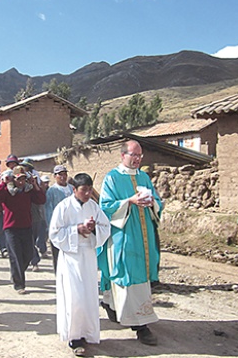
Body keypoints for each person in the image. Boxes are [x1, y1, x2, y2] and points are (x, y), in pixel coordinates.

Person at [98, 140, 163, 346]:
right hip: (123, 234)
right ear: (122, 155)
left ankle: (112, 304)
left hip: (143, 235)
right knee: (125, 273)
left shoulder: (144, 176)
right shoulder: (112, 178)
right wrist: (129, 202)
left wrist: (153, 203)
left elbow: (159, 200)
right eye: (133, 155)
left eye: (140, 156)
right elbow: (105, 207)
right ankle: (140, 326)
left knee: (140, 275)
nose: (137, 159)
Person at [49, 173, 110, 356]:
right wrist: (77, 230)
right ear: (74, 190)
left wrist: (92, 230)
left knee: (89, 296)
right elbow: (54, 233)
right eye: (84, 190)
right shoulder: (64, 207)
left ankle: (88, 333)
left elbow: (105, 228)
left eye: (90, 189)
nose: (87, 193)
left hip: (88, 256)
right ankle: (74, 337)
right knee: (74, 297)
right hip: (71, 257)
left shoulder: (94, 206)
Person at [0, 165, 46, 294]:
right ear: (13, 179)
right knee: (16, 255)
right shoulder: (7, 190)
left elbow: (41, 199)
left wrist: (35, 185)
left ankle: (17, 273)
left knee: (28, 254)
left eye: (23, 179)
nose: (21, 182)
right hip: (11, 228)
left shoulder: (28, 190)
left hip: (26, 226)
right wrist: (3, 183)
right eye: (18, 179)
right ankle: (19, 284)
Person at [45, 165, 74, 271]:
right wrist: (51, 228)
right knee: (58, 255)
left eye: (64, 174)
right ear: (55, 176)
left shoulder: (72, 189)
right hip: (59, 228)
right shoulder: (52, 191)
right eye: (60, 174)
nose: (62, 177)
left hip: (72, 227)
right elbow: (48, 211)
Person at [29, 175, 50, 272]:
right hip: (21, 221)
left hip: (36, 219)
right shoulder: (17, 189)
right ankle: (33, 261)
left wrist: (35, 186)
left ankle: (36, 259)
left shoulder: (35, 190)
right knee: (28, 243)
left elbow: (42, 200)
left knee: (33, 240)